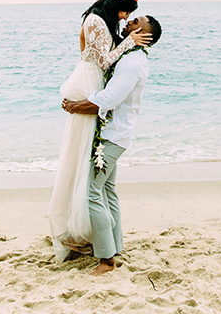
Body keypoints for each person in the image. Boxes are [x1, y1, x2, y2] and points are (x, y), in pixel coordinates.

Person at [48, 0, 152, 262]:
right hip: (91, 85)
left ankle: (105, 250)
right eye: (124, 12)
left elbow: (107, 69)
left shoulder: (127, 49)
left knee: (95, 183)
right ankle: (99, 241)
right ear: (114, 6)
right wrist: (129, 42)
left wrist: (128, 42)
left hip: (99, 94)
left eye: (130, 16)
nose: (124, 18)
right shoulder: (95, 21)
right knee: (93, 176)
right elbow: (105, 62)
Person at [61, 14, 162, 275]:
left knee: (91, 191)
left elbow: (109, 98)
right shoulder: (132, 57)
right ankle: (115, 246)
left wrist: (74, 105)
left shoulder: (131, 63)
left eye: (134, 21)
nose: (127, 23)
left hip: (111, 137)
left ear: (141, 31)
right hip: (116, 134)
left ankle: (106, 259)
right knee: (107, 189)